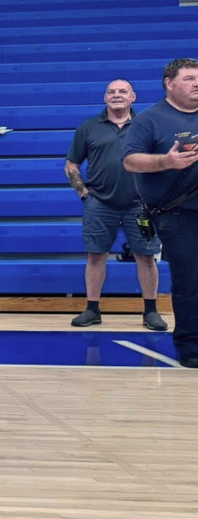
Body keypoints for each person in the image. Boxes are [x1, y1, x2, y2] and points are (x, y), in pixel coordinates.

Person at [68, 79, 165, 331]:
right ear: (105, 98)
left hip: (141, 207)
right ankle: (92, 309)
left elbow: (162, 161)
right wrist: (84, 194)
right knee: (95, 255)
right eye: (111, 91)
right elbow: (72, 164)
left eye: (123, 91)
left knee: (147, 257)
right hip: (99, 204)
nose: (117, 95)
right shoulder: (89, 127)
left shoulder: (147, 126)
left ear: (133, 97)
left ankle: (151, 311)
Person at [124, 57, 198, 369]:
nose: (197, 83)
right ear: (169, 83)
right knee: (189, 280)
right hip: (177, 213)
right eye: (189, 78)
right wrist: (165, 162)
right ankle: (191, 345)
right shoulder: (150, 119)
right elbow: (130, 161)